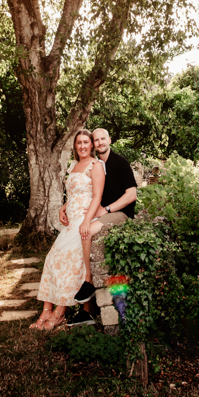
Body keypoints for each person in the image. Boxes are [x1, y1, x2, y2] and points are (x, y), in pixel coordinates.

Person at [62, 127, 138, 326]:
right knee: (80, 234)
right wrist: (65, 206)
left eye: (103, 138)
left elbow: (132, 195)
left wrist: (109, 209)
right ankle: (85, 309)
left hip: (120, 214)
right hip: (98, 213)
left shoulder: (119, 162)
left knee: (89, 231)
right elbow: (84, 192)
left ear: (110, 139)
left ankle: (89, 282)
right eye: (96, 140)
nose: (100, 142)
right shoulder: (94, 164)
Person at [30, 129, 105, 330]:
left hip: (85, 219)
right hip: (71, 222)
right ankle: (46, 310)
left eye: (85, 142)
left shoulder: (96, 166)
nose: (82, 146)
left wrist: (86, 221)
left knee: (68, 259)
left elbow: (97, 196)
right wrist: (63, 207)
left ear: (92, 145)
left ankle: (59, 312)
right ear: (75, 146)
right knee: (52, 258)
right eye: (79, 143)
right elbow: (72, 193)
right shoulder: (73, 165)